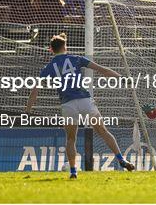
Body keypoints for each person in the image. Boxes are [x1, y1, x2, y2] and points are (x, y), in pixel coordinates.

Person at [25, 33, 135, 178]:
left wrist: (27, 110)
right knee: (103, 131)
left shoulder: (49, 67)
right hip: (84, 101)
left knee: (71, 139)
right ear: (65, 47)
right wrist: (122, 79)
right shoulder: (76, 59)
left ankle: (73, 172)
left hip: (68, 104)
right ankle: (121, 159)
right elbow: (103, 70)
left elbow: (35, 91)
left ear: (51, 49)